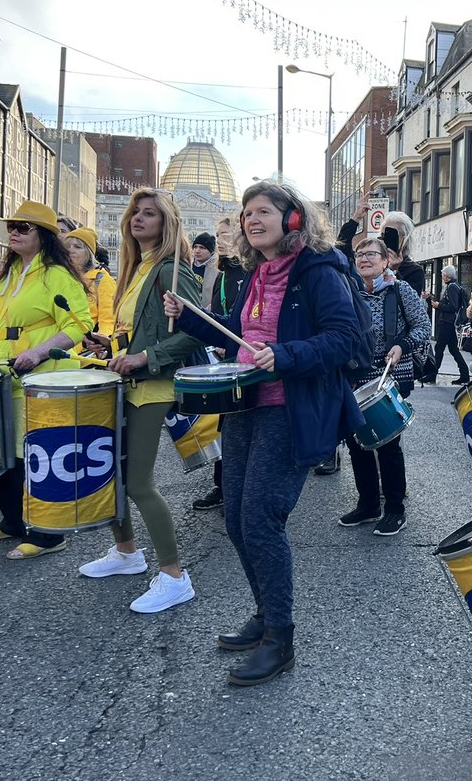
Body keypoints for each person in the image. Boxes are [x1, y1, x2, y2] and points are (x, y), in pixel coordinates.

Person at [164, 180, 363, 686]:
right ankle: (264, 611)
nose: (252, 221)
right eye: (247, 213)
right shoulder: (255, 273)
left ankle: (280, 638)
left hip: (290, 410)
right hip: (244, 406)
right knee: (234, 517)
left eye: (263, 212)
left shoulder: (319, 271)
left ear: (292, 219)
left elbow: (345, 339)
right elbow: (236, 335)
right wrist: (191, 317)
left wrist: (287, 355)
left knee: (260, 520)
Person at [78, 189, 202, 612]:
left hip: (154, 386)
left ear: (166, 223)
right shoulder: (135, 269)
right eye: (135, 212)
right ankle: (128, 552)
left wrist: (143, 357)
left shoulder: (172, 270)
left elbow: (192, 332)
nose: (138, 218)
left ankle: (174, 575)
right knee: (114, 474)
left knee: (139, 483)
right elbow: (139, 329)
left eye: (150, 213)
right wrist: (110, 344)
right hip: (127, 382)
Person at [0, 201, 92, 561]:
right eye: (12, 225)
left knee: (32, 458)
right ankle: (14, 520)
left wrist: (41, 352)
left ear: (42, 236)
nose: (13, 231)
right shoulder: (8, 273)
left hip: (37, 378)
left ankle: (48, 535)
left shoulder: (56, 275)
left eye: (23, 227)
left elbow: (78, 325)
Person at [337, 236, 430, 536]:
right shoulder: (348, 292)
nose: (364, 259)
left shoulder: (400, 290)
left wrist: (403, 345)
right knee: (356, 444)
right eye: (359, 254)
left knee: (388, 445)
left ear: (385, 260)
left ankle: (394, 509)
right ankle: (367, 504)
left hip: (390, 375)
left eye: (371, 254)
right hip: (355, 376)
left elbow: (423, 327)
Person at [194, 220, 249, 512]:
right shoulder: (221, 274)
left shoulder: (251, 271)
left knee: (239, 424)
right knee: (223, 424)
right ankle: (223, 485)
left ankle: (238, 486)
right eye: (217, 236)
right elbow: (217, 313)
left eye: (226, 235)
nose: (221, 241)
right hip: (224, 358)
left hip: (248, 359)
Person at [64, 227, 117, 344]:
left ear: (89, 253)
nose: (71, 250)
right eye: (67, 247)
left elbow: (108, 319)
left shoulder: (102, 279)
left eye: (77, 247)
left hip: (86, 352)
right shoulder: (60, 277)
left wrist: (100, 343)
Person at [426, 265, 470, 385]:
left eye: (443, 275)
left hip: (448, 322)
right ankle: (464, 374)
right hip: (449, 322)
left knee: (439, 347)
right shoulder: (455, 285)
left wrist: (438, 306)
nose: (442, 277)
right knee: (453, 349)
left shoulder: (451, 287)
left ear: (445, 276)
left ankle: (432, 374)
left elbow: (453, 307)